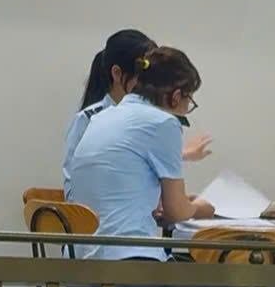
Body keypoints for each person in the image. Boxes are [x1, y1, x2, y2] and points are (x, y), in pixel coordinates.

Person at [69, 46, 251, 287]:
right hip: (122, 275)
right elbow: (178, 212)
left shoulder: (104, 117)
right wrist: (203, 207)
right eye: (189, 101)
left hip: (82, 275)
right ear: (175, 95)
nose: (186, 109)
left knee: (183, 285)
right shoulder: (162, 123)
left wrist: (158, 207)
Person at [63, 29, 212, 197]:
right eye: (144, 77)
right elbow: (76, 187)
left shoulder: (150, 119)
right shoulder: (91, 119)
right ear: (117, 73)